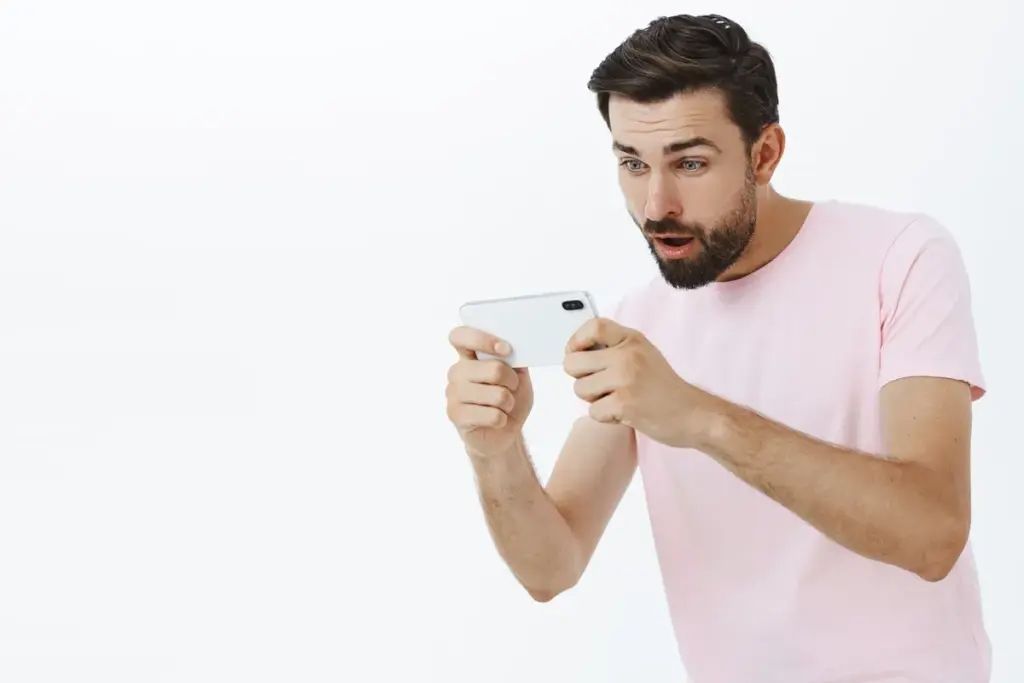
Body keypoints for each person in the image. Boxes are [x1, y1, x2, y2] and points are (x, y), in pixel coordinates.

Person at [444, 13, 990, 683]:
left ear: (764, 154)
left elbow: (933, 534)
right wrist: (494, 451)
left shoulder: (900, 258)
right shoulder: (640, 323)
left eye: (690, 163)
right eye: (632, 163)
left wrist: (698, 416)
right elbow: (550, 567)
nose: (656, 205)